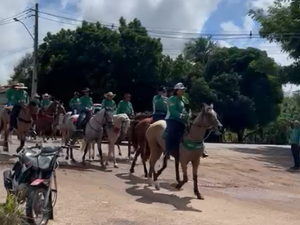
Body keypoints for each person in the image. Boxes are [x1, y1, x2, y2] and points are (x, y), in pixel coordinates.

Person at [164, 82, 189, 157]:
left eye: (183, 90)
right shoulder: (172, 99)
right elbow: (172, 111)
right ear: (176, 90)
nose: (183, 91)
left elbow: (183, 109)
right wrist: (181, 115)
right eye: (181, 90)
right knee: (172, 132)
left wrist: (186, 115)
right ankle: (168, 150)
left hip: (181, 120)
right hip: (171, 119)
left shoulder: (183, 99)